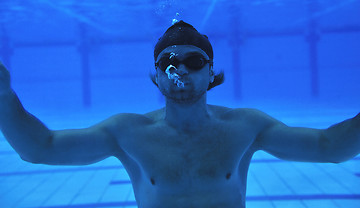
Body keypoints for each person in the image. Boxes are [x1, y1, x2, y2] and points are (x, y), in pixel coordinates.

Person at [0, 20, 359, 208]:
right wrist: (3, 94)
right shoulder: (127, 133)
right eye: (169, 62)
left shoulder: (245, 127)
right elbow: (40, 148)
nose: (181, 70)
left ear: (211, 71)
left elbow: (330, 147)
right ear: (156, 75)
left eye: (193, 60)